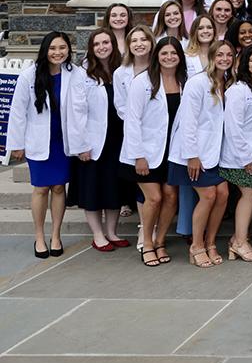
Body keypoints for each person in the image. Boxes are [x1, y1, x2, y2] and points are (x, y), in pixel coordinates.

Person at [8, 32, 77, 258]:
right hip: (38, 141)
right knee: (41, 189)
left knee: (59, 188)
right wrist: (16, 144)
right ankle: (39, 236)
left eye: (62, 48)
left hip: (62, 141)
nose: (57, 52)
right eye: (53, 48)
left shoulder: (76, 74)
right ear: (45, 50)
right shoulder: (29, 76)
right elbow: (17, 112)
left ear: (68, 50)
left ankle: (56, 235)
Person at [121, 37, 187, 267]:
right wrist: (138, 154)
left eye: (174, 53)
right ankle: (147, 243)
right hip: (146, 152)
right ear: (157, 56)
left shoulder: (184, 81)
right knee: (155, 198)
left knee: (171, 197)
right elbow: (132, 120)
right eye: (164, 53)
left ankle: (160, 242)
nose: (169, 57)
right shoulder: (143, 81)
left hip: (173, 151)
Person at [172, 40, 234, 268]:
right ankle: (196, 246)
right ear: (212, 57)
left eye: (229, 55)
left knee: (223, 194)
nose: (225, 59)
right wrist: (192, 155)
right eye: (220, 55)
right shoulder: (197, 82)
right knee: (208, 196)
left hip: (215, 152)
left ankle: (210, 243)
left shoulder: (227, 82)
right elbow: (188, 120)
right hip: (194, 152)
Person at [66, 29, 129, 252]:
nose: (102, 47)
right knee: (92, 189)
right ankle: (98, 234)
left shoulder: (122, 69)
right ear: (91, 48)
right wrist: (80, 145)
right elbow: (75, 111)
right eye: (97, 44)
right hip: (92, 142)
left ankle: (112, 232)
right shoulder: (82, 73)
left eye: (106, 42)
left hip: (117, 140)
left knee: (114, 189)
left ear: (113, 44)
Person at [220, 44, 252, 263]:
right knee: (250, 194)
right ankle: (241, 242)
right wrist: (245, 157)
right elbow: (233, 126)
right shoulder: (238, 90)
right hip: (239, 157)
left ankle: (236, 240)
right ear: (244, 64)